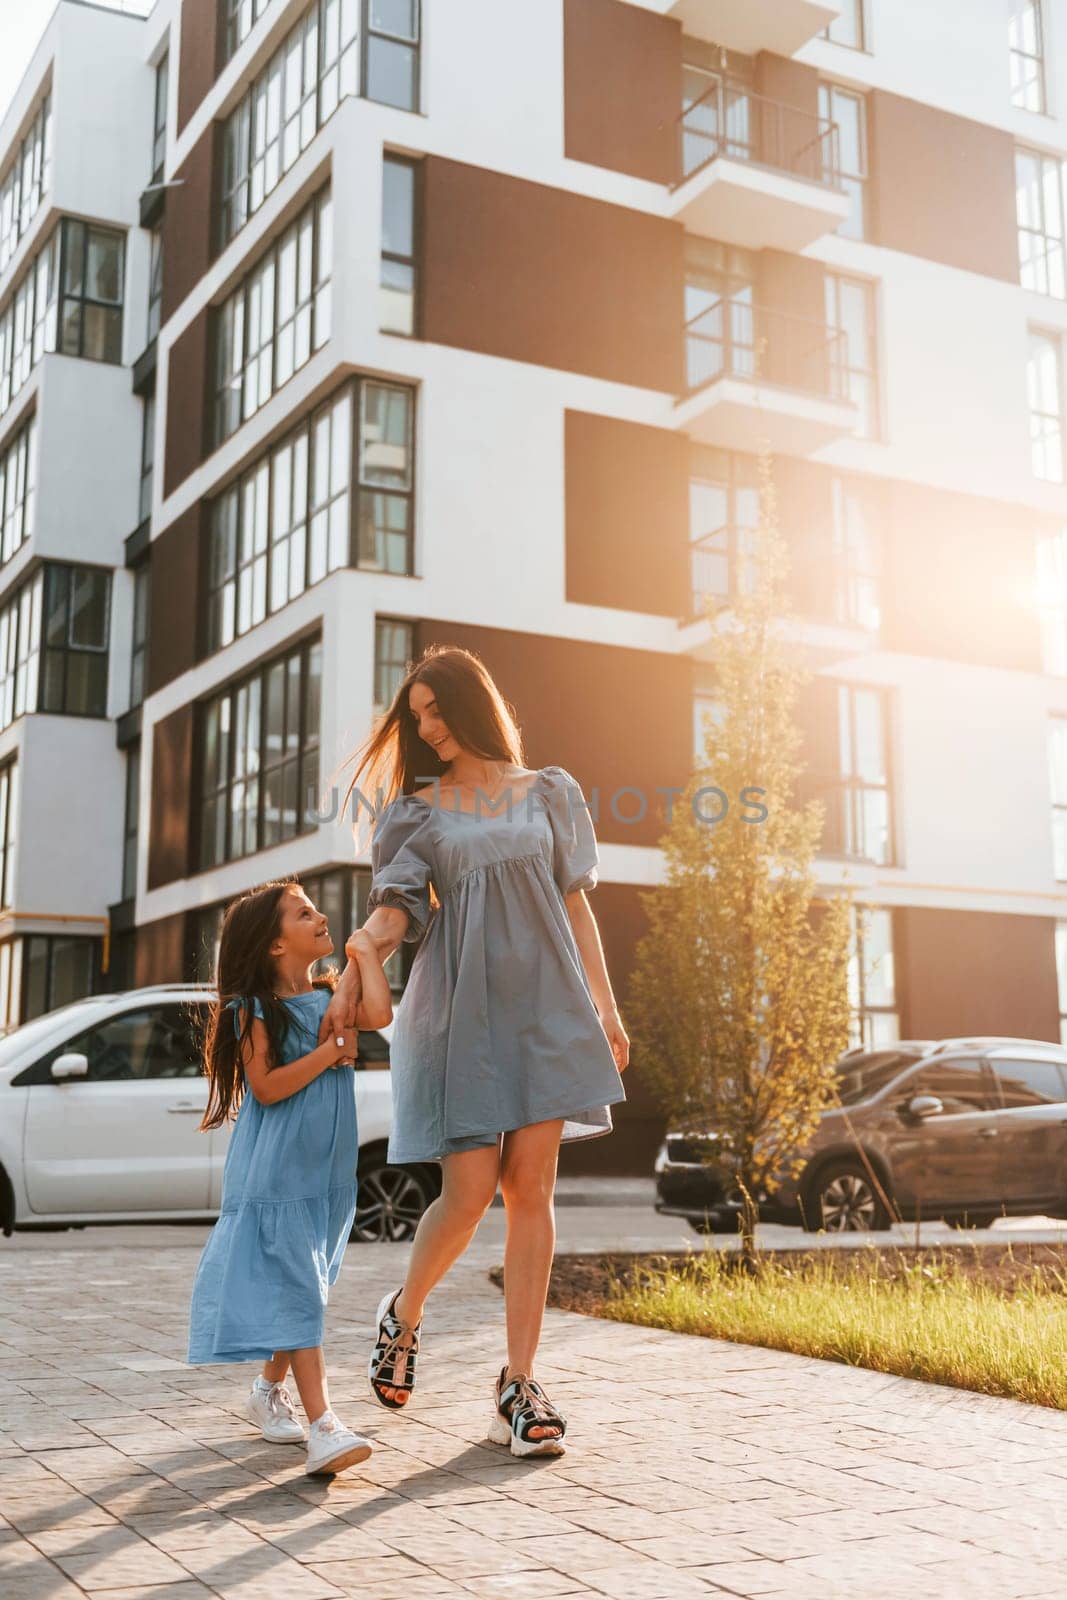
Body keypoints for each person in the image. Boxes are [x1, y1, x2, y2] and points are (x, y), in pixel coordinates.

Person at [320, 644, 630, 1458]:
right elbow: (396, 910)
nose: (425, 726)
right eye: (414, 715)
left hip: (546, 1010)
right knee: (467, 1193)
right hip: (458, 1013)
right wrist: (365, 948)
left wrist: (605, 1005)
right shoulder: (418, 812)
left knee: (531, 1189)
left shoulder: (549, 793)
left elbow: (575, 903)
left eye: (434, 709)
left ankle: (518, 1385)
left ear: (471, 704)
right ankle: (405, 1313)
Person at [187, 878, 392, 1477]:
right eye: (303, 914)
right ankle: (324, 1425)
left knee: (303, 1286)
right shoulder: (251, 1010)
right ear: (275, 946)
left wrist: (362, 954)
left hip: (323, 1174)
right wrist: (332, 1050)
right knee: (300, 1287)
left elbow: (378, 1012)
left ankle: (265, 1391)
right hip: (275, 1173)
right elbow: (269, 1088)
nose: (319, 916)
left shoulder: (333, 995)